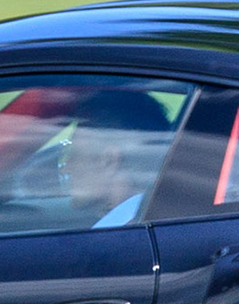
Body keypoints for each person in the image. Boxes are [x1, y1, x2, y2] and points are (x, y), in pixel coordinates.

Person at [61, 89, 176, 228]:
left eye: (74, 155)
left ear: (109, 161)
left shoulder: (116, 241)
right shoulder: (152, 225)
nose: (66, 168)